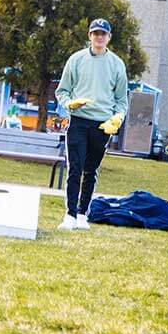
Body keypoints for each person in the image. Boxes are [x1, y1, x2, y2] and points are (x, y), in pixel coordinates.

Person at [54, 18, 128, 230]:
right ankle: (69, 214)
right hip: (78, 121)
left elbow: (122, 99)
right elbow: (62, 90)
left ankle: (81, 213)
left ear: (108, 38)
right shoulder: (76, 60)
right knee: (74, 168)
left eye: (103, 34)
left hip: (103, 124)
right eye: (95, 33)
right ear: (89, 36)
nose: (99, 37)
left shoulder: (117, 64)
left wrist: (117, 118)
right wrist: (70, 104)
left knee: (90, 170)